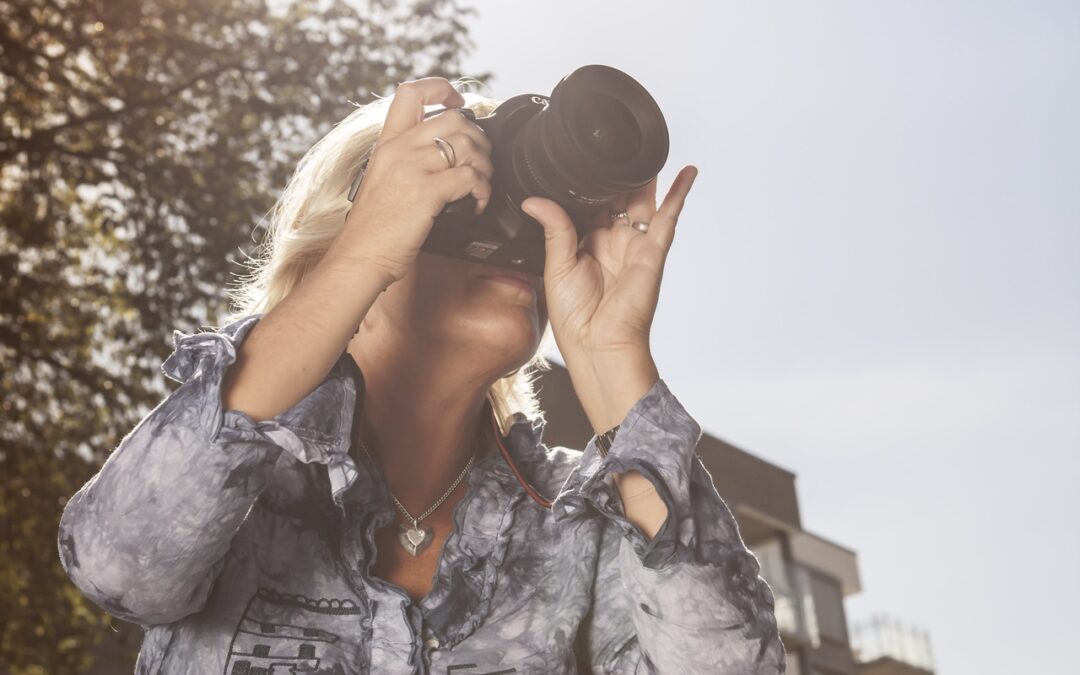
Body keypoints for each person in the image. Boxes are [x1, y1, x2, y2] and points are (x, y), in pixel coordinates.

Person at [58, 76, 786, 674]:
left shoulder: (577, 528)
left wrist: (610, 360)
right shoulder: (240, 485)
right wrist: (363, 254)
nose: (514, 234)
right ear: (346, 247)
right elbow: (118, 565)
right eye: (454, 197)